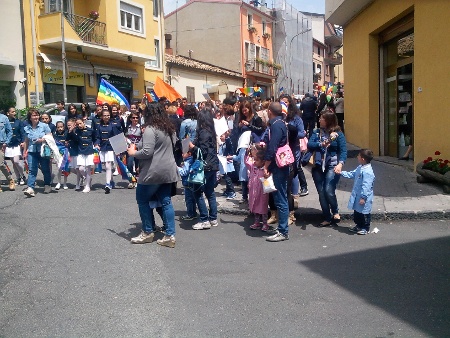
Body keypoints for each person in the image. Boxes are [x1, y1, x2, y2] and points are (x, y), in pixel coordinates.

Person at [127, 102, 179, 248]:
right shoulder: (170, 128)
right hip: (168, 170)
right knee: (166, 201)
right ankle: (170, 235)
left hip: (154, 171)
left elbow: (147, 152)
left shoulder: (151, 129)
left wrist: (133, 153)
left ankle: (147, 231)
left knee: (142, 199)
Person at [308, 110, 347, 227]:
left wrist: (340, 164)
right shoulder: (316, 132)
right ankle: (327, 217)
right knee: (321, 192)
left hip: (332, 165)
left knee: (328, 190)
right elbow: (310, 144)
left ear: (328, 121)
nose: (319, 120)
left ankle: (335, 211)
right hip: (318, 166)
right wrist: (321, 144)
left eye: (322, 118)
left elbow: (343, 150)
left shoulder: (338, 134)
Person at [263, 102, 290, 242]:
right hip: (282, 164)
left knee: (280, 198)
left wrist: (266, 165)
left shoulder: (276, 125)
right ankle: (282, 229)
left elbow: (273, 147)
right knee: (281, 196)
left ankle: (283, 231)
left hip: (278, 165)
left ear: (269, 111)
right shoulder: (282, 123)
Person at [189, 108, 220, 230]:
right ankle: (213, 218)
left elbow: (203, 151)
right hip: (213, 165)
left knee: (197, 192)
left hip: (205, 166)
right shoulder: (211, 131)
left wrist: (192, 147)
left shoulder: (203, 133)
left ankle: (204, 219)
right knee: (210, 192)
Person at [341, 149, 375, 235]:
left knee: (364, 213)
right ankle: (358, 225)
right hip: (357, 195)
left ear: (363, 159)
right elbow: (352, 174)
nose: (357, 157)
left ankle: (365, 228)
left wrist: (363, 197)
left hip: (363, 197)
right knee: (357, 212)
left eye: (359, 156)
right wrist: (341, 173)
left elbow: (366, 186)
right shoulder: (360, 167)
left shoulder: (368, 172)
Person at [23, 109, 53, 196]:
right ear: (30, 117)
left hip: (43, 150)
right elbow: (26, 141)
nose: (36, 117)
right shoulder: (26, 128)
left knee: (45, 168)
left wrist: (42, 140)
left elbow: (50, 137)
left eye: (37, 115)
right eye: (33, 115)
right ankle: (31, 187)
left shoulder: (44, 126)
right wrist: (25, 152)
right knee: (32, 169)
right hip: (32, 151)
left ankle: (47, 184)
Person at [95, 109, 120, 193]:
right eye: (105, 115)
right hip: (102, 147)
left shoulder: (113, 125)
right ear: (102, 116)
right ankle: (111, 180)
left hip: (110, 147)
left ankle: (107, 184)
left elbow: (117, 137)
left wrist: (118, 149)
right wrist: (97, 144)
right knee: (106, 165)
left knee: (108, 165)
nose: (106, 117)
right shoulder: (99, 126)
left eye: (108, 115)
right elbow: (97, 137)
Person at [246, 145, 270, 231]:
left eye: (257, 160)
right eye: (254, 160)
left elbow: (268, 180)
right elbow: (247, 161)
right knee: (255, 206)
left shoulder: (265, 170)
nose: (255, 162)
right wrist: (248, 152)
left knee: (263, 207)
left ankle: (265, 223)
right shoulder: (253, 167)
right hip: (254, 191)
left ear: (263, 161)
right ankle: (256, 222)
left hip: (262, 192)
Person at [71, 117, 95, 193]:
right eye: (77, 124)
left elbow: (95, 138)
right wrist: (71, 131)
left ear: (84, 122)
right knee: (80, 168)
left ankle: (87, 186)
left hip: (89, 151)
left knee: (88, 169)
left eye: (80, 123)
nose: (79, 125)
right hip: (80, 151)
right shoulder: (77, 131)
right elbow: (74, 139)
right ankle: (88, 178)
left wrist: (96, 144)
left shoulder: (90, 130)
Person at [5, 107, 26, 185]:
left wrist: (23, 141)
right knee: (13, 162)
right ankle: (18, 178)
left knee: (17, 161)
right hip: (8, 144)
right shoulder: (5, 122)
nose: (14, 113)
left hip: (17, 143)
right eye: (12, 112)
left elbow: (22, 132)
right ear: (8, 113)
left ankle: (23, 175)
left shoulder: (18, 122)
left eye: (15, 112)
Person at [125, 111, 142, 188]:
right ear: (130, 119)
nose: (135, 119)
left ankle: (138, 179)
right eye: (133, 118)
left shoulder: (141, 127)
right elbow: (125, 136)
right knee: (129, 163)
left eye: (137, 117)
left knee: (138, 164)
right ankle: (131, 180)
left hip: (138, 148)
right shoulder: (127, 127)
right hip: (129, 148)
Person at [0, 110, 15, 192]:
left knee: (1, 164)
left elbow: (9, 131)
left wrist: (6, 142)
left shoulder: (3, 118)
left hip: (1, 144)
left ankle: (10, 180)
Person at [53, 121, 69, 190]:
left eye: (61, 127)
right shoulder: (54, 135)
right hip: (58, 153)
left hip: (65, 152)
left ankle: (65, 183)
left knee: (65, 168)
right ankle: (59, 182)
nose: (60, 128)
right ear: (56, 128)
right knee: (59, 168)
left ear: (64, 127)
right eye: (58, 127)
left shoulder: (67, 133)